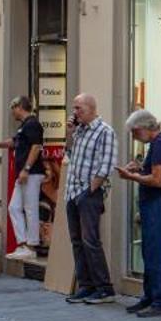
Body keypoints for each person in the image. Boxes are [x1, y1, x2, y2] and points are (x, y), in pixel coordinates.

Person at [116, 109, 161, 316]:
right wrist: (141, 168)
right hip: (154, 203)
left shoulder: (160, 144)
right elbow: (154, 173)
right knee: (149, 251)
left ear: (143, 128)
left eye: (134, 132)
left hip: (157, 204)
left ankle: (160, 302)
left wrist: (131, 176)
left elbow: (157, 180)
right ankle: (150, 297)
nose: (134, 137)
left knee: (156, 252)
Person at [60, 95, 118, 307]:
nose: (74, 112)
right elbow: (69, 154)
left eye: (78, 107)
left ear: (91, 107)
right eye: (74, 108)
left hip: (88, 193)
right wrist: (69, 134)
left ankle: (104, 288)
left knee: (91, 240)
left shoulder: (104, 131)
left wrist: (91, 189)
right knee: (77, 241)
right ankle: (86, 286)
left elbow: (107, 164)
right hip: (72, 191)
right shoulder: (80, 131)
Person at [0, 96, 46, 262]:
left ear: (20, 106)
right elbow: (15, 142)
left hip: (31, 173)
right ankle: (23, 243)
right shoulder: (24, 126)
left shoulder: (33, 124)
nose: (12, 112)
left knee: (30, 208)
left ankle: (31, 246)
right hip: (24, 174)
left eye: (13, 108)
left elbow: (36, 147)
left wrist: (26, 169)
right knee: (14, 207)